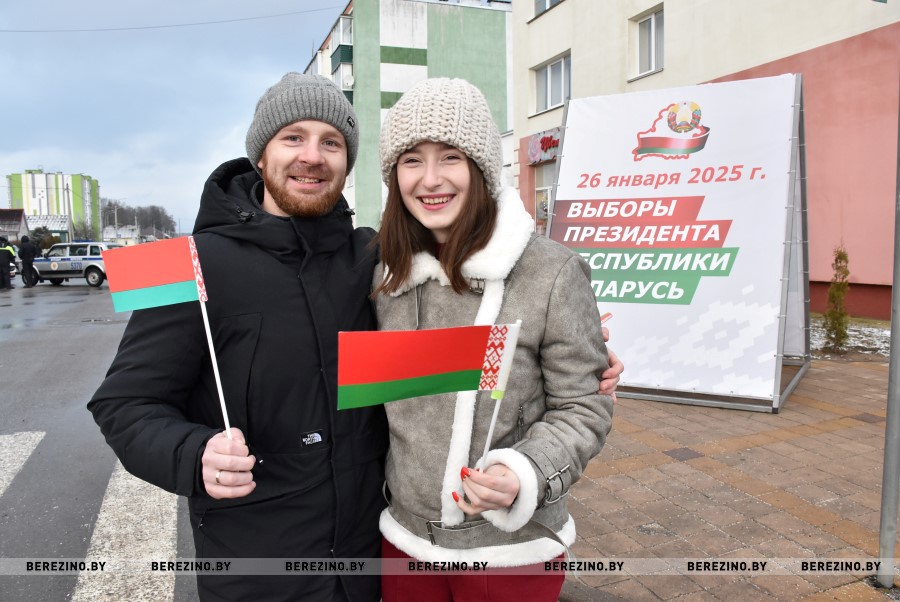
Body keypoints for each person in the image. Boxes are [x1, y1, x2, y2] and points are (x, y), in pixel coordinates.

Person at [88, 73, 623, 601]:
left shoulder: (374, 260)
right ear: (260, 153)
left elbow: (449, 345)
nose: (312, 156)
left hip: (371, 558)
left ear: (349, 162)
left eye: (332, 142)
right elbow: (123, 402)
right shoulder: (180, 265)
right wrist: (192, 452)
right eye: (292, 137)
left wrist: (570, 360)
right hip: (258, 568)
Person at [371, 78, 614, 601]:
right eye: (411, 160)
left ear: (481, 167)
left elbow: (583, 408)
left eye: (450, 157)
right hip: (404, 543)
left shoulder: (551, 271)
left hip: (509, 550)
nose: (430, 179)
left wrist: (524, 471)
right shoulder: (382, 278)